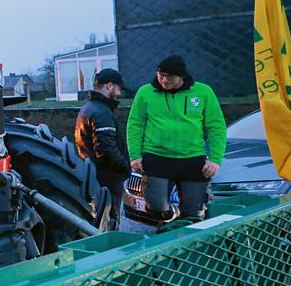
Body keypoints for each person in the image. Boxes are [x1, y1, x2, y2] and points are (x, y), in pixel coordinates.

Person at [124, 54, 226, 233]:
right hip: (157, 157)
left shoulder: (203, 92)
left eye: (169, 76)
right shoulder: (145, 92)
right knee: (156, 207)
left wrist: (215, 159)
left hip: (192, 158)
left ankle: (188, 241)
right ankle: (169, 223)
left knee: (194, 214)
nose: (163, 79)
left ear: (181, 76)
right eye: (160, 75)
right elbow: (135, 125)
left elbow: (216, 126)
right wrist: (135, 156)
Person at [74, 68, 130, 231]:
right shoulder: (102, 113)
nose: (120, 94)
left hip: (92, 176)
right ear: (110, 86)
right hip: (107, 179)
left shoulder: (88, 108)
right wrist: (126, 167)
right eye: (119, 88)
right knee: (110, 223)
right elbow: (106, 151)